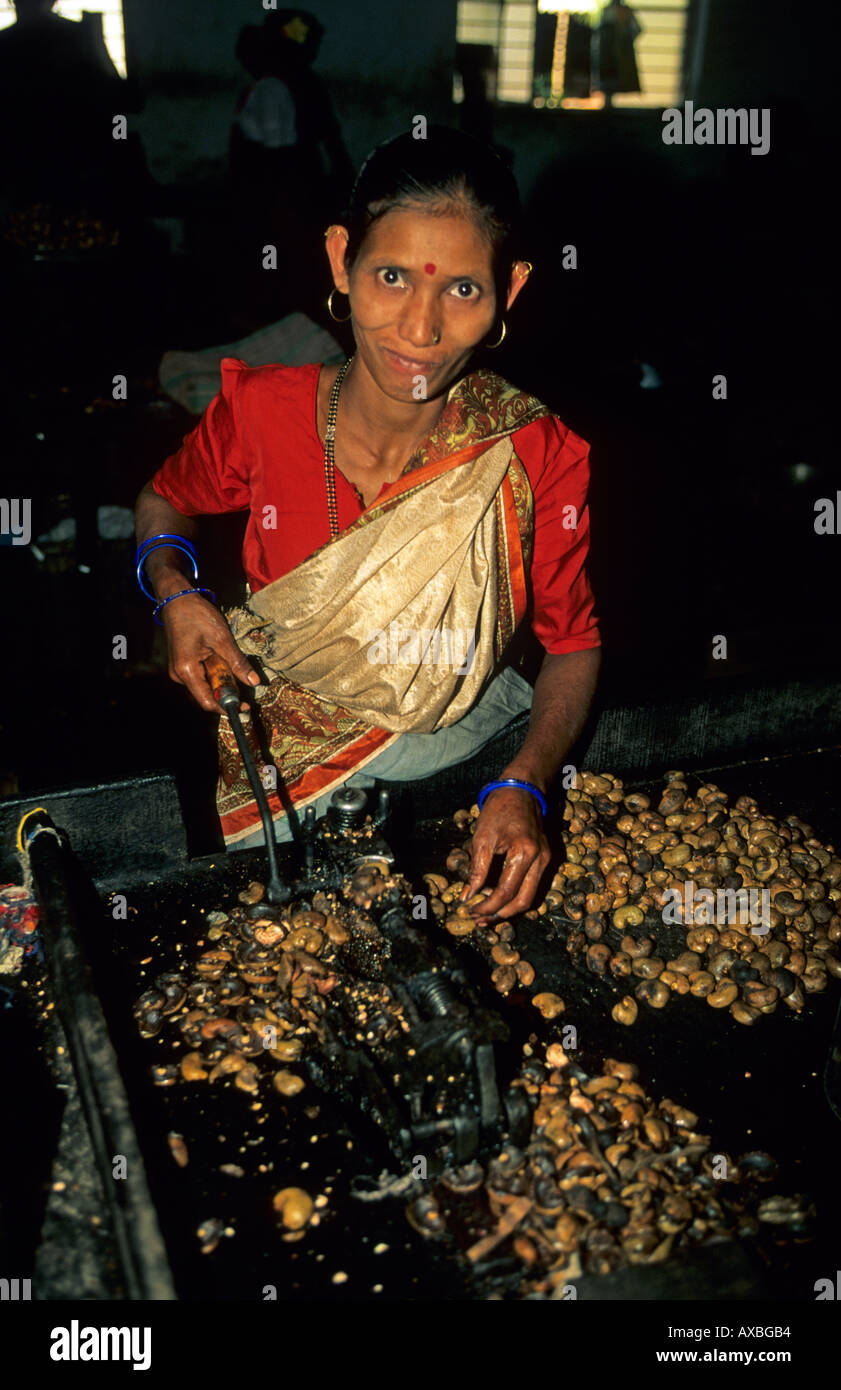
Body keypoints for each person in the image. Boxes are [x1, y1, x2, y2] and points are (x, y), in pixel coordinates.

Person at [134, 127, 602, 923]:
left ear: (509, 293)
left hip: (464, 777)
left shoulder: (528, 453)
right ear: (339, 261)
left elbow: (573, 643)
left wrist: (524, 781)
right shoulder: (263, 411)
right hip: (284, 778)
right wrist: (174, 591)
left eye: (461, 290)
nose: (419, 331)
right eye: (390, 276)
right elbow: (161, 497)